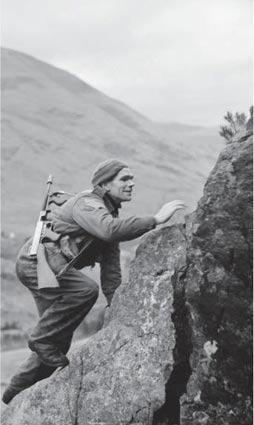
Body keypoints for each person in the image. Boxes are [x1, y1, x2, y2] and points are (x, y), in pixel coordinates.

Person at [2, 158, 185, 404]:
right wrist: (155, 219)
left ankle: (15, 394)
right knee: (86, 291)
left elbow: (111, 272)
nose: (132, 183)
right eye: (124, 179)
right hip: (36, 265)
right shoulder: (88, 203)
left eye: (132, 179)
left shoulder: (107, 212)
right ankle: (40, 339)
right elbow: (109, 230)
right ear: (105, 184)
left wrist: (118, 308)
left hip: (49, 269)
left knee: (58, 342)